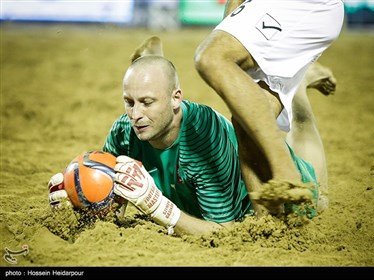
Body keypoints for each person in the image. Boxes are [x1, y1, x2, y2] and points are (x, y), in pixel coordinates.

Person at [48, 36, 337, 237]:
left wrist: (160, 208)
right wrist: (77, 197)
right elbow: (112, 207)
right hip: (192, 173)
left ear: (176, 99)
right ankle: (153, 67)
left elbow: (226, 233)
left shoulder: (203, 139)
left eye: (146, 102)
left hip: (267, 191)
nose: (134, 114)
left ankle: (299, 88)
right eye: (129, 101)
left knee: (316, 186)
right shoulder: (124, 132)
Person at [194, 0, 344, 215]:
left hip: (300, 7)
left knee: (211, 56)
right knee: (246, 122)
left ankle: (284, 167)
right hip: (301, 12)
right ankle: (267, 223)